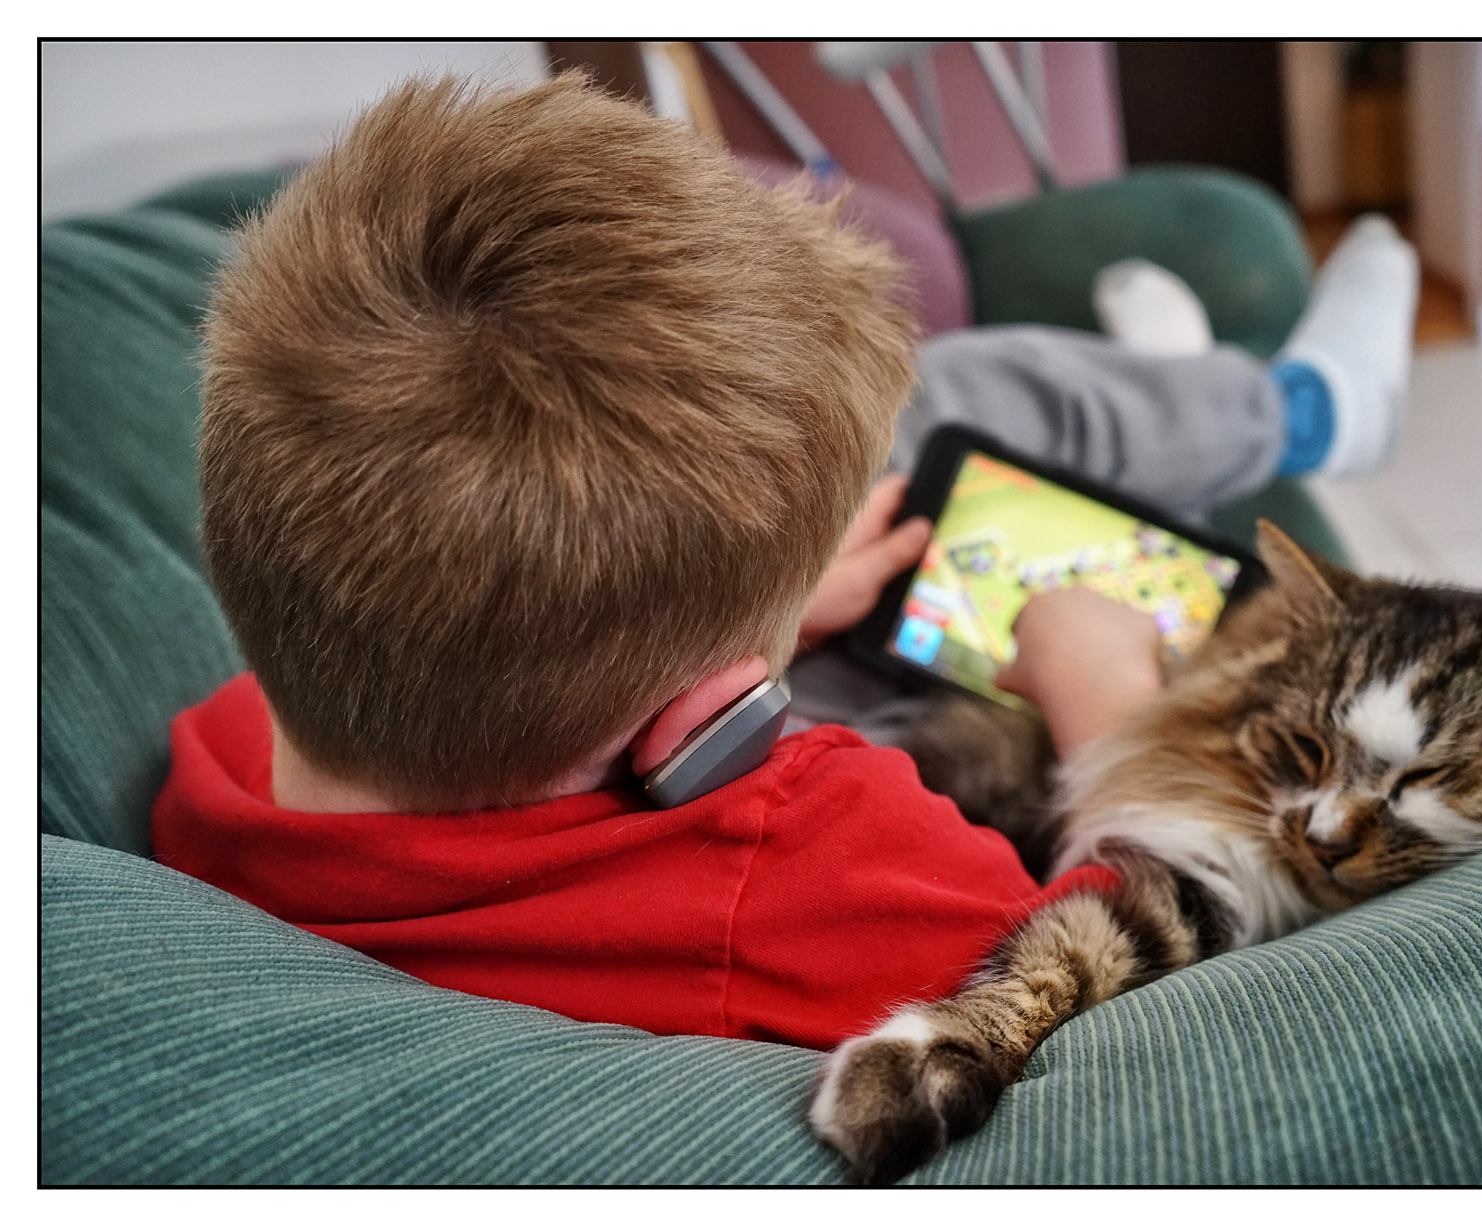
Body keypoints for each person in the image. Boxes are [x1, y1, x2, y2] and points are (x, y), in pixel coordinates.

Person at [152, 71, 1417, 1051]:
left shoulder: (217, 761)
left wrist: (777, 612)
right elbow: (1134, 973)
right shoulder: (812, 863)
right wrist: (1106, 704)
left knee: (935, 445)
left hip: (624, 697)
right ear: (707, 723)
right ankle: (1294, 411)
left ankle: (1233, 405)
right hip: (897, 730)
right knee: (957, 414)